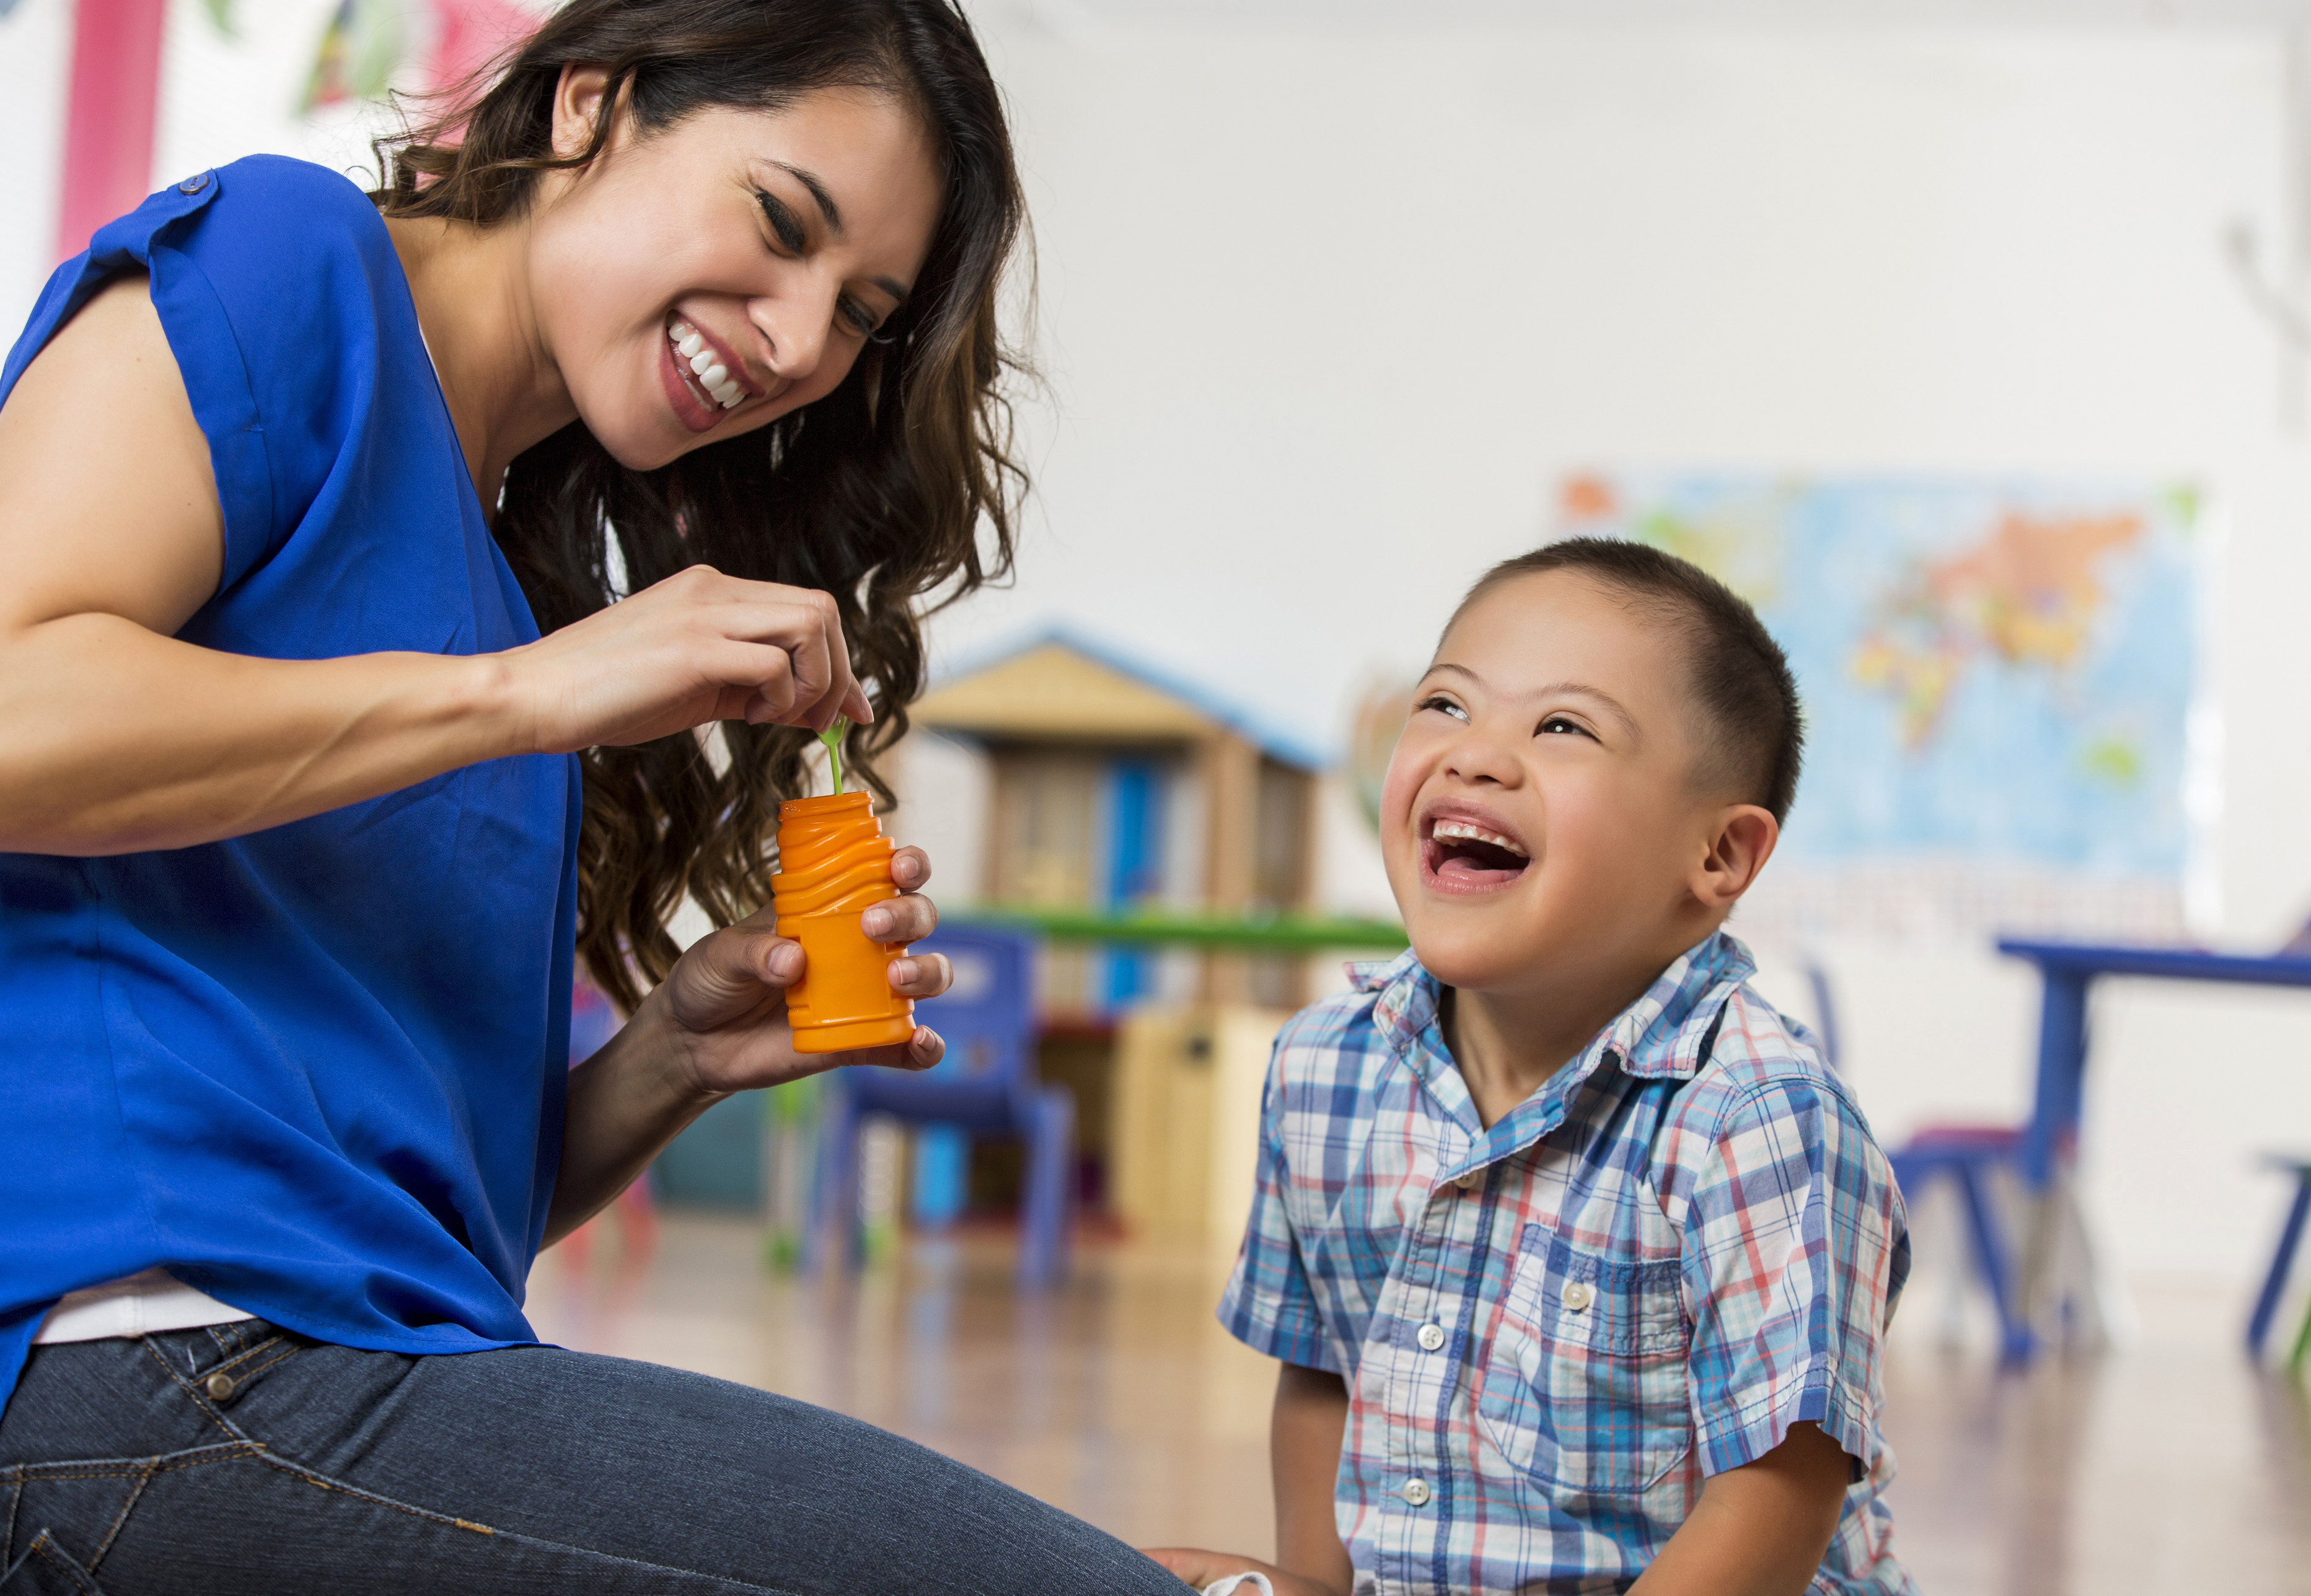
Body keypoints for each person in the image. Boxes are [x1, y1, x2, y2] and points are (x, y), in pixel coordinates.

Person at [0, 2, 1192, 1590]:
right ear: (591, 106)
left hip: (310, 1365)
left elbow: (401, 1214)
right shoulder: (299, 265)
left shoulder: (506, 593)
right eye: (780, 223)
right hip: (141, 1362)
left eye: (860, 313)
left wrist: (665, 1062)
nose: (796, 340)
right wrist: (526, 695)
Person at [1147, 540, 1917, 1595]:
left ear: (1720, 856)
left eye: (1561, 727)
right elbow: (1324, 1376)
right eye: (1445, 706)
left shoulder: (1758, 1119)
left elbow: (1780, 1488)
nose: (1473, 756)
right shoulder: (1323, 1070)